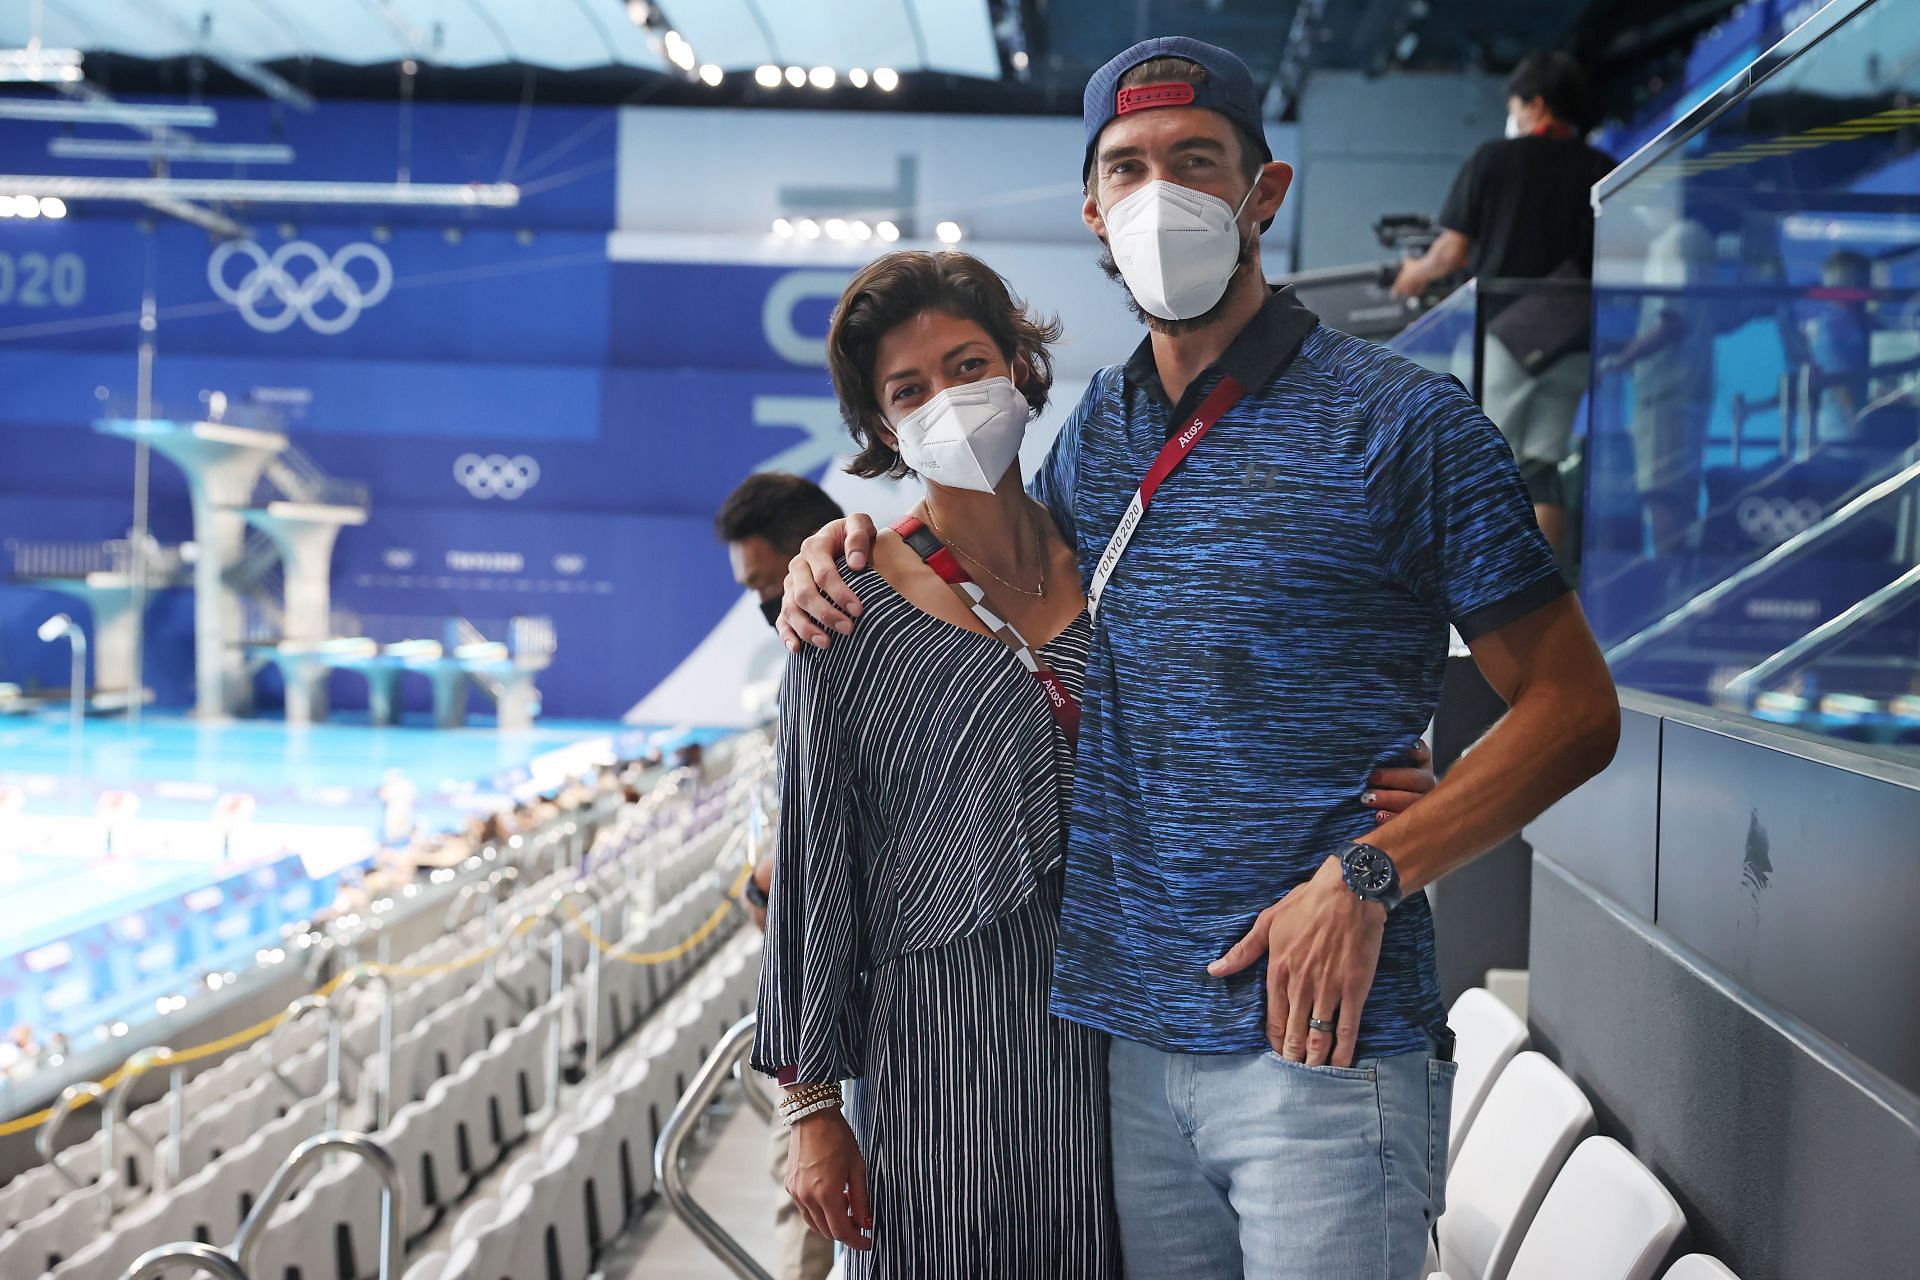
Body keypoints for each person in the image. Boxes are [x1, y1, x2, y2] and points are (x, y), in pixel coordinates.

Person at [779, 37, 1620, 1280]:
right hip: (1121, 1063)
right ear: (1094, 211)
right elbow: (994, 572)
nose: (1158, 192)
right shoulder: (1096, 440)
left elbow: (1575, 707)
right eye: (1127, 167)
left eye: (1195, 160)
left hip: (1321, 1052)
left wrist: (1379, 865)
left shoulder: (1406, 421)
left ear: (1262, 192)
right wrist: (837, 545)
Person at [752, 249, 1438, 1278]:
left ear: (1024, 368)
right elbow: (814, 862)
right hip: (944, 1060)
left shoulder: (1124, 563)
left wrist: (1371, 778)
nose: (949, 397)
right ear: (882, 429)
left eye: (969, 361)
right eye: (909, 388)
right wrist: (811, 1103)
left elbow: (1246, 693)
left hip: (1119, 1049)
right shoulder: (849, 606)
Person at [1392, 51, 1615, 554]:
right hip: (1574, 341)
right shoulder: (1601, 168)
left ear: (1535, 104)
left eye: (1515, 105)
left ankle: (1483, 597)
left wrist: (1411, 275)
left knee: (1480, 463)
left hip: (1502, 336)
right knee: (1542, 469)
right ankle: (1544, 598)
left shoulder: (1495, 159)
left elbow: (1451, 251)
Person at [714, 470, 846, 1280]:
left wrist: (780, 873)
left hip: (837, 1004)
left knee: (811, 1206)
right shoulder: (799, 662)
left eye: (771, 585)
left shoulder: (859, 654)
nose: (768, 607)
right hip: (806, 991)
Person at [1600, 207, 1716, 558]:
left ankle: (1670, 576)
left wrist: (1621, 361)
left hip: (1665, 393)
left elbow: (1671, 322)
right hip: (1686, 387)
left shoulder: (1673, 244)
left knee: (1661, 492)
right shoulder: (1700, 240)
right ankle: (1681, 572)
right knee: (1680, 492)